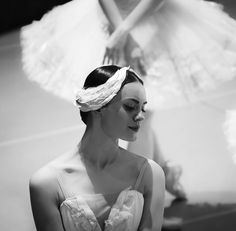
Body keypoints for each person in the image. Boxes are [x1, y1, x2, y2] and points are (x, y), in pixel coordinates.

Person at [29, 65, 165, 231]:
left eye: (143, 107)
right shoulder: (46, 183)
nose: (140, 116)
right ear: (98, 106)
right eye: (130, 106)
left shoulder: (150, 174)